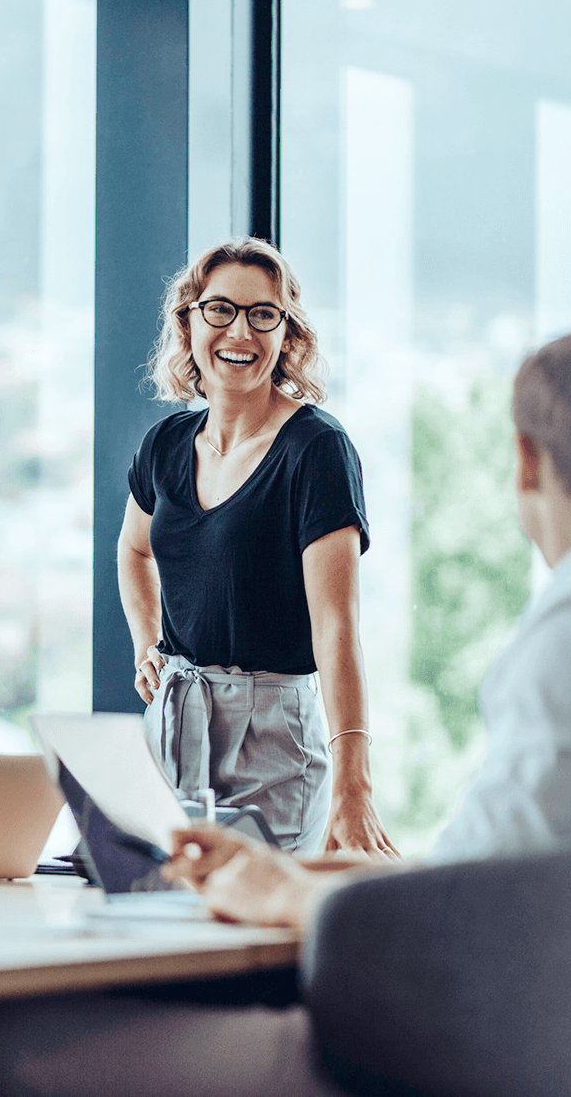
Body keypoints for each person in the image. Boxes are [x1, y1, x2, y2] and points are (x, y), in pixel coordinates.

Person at [0, 322, 571, 1097]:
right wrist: (295, 874)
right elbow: (513, 868)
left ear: (526, 462)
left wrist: (286, 896)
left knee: (1, 1042)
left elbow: (469, 915)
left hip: (455, 1060)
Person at [121, 237, 392, 855]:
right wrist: (146, 643)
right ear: (189, 321)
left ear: (286, 334)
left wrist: (356, 786)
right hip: (172, 721)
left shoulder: (316, 450)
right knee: (162, 922)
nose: (238, 331)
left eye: (262, 314)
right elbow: (134, 551)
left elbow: (337, 627)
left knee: (256, 937)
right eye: (220, 309)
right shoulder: (165, 444)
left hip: (272, 736)